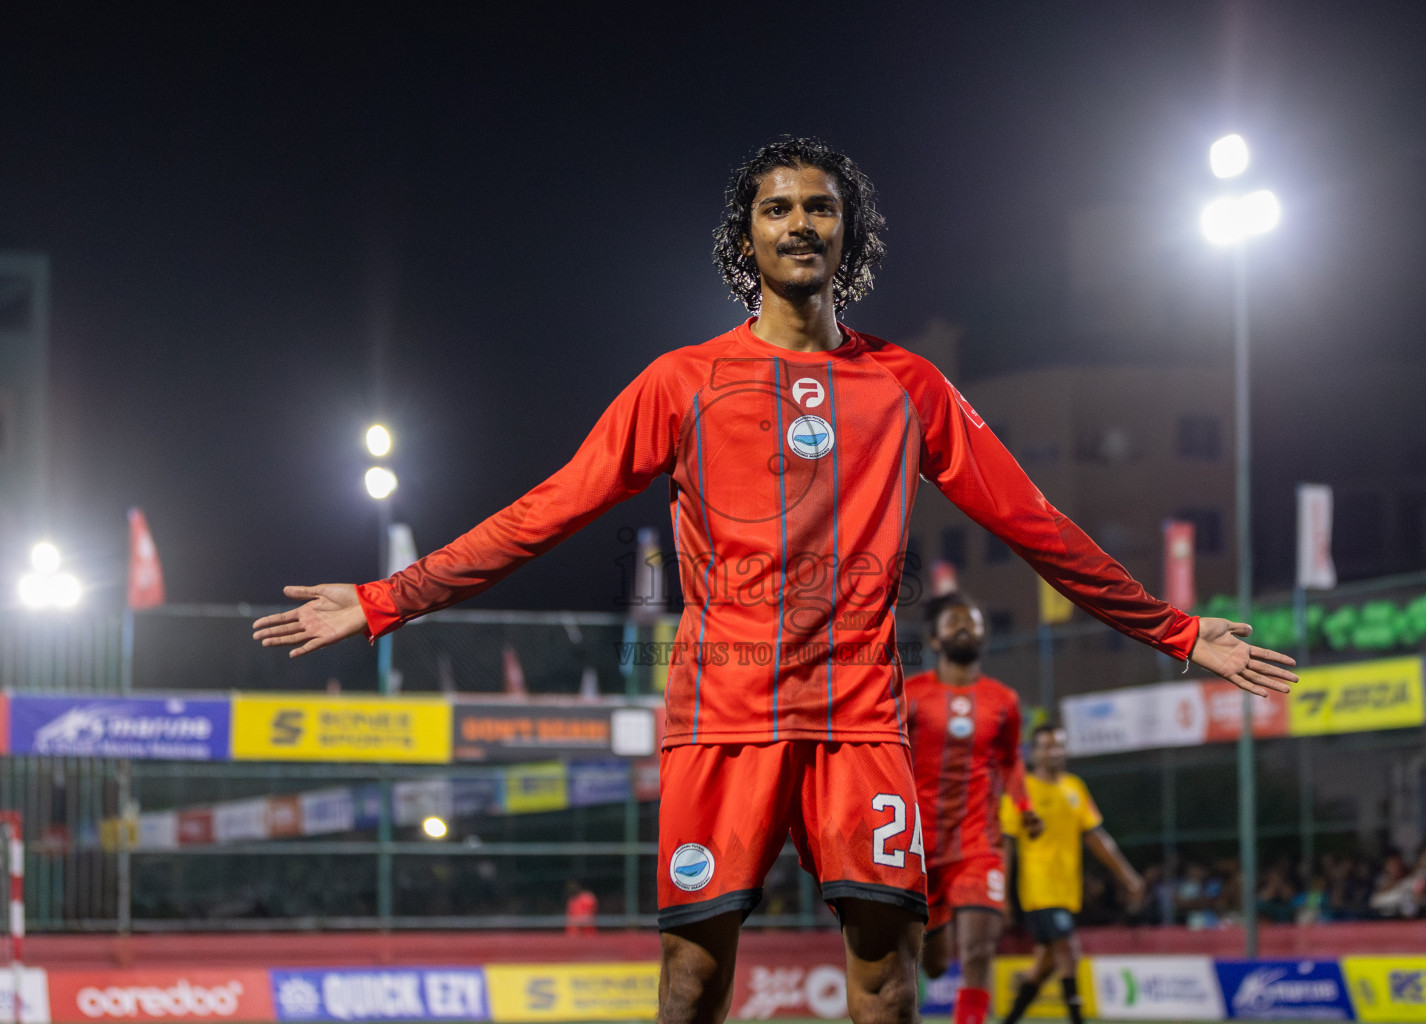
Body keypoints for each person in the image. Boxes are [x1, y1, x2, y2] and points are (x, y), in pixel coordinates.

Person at [252, 137, 1296, 1024]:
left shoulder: (907, 385)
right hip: (725, 712)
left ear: (849, 234)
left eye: (822, 208)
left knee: (888, 976)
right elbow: (549, 508)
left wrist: (1174, 629)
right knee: (694, 976)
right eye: (778, 207)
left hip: (860, 718)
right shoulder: (683, 383)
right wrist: (391, 597)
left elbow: (1031, 521)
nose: (801, 223)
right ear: (744, 237)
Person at [909, 592, 1041, 1024]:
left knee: (981, 949)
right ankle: (936, 927)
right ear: (934, 638)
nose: (966, 628)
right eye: (954, 622)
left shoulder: (1004, 700)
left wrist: (1024, 807)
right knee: (932, 962)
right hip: (918, 848)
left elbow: (1010, 759)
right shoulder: (908, 695)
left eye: (974, 622)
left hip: (979, 843)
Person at [998, 724, 1144, 1024]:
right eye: (1047, 746)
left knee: (1047, 963)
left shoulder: (1074, 787)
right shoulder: (1021, 791)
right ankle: (1078, 1020)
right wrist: (1001, 895)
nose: (1055, 752)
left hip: (1068, 891)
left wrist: (1128, 876)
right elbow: (1005, 846)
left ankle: (1009, 1021)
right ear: (1034, 751)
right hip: (1039, 890)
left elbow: (1096, 837)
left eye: (1059, 745)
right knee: (1068, 950)